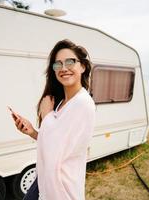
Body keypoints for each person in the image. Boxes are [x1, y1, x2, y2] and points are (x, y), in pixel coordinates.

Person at [11, 39, 96, 200]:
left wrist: (47, 114)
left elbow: (55, 152)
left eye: (70, 62)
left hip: (62, 188)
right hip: (46, 179)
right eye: (57, 64)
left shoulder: (83, 103)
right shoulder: (62, 103)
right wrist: (33, 132)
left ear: (83, 67)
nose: (63, 68)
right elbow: (58, 144)